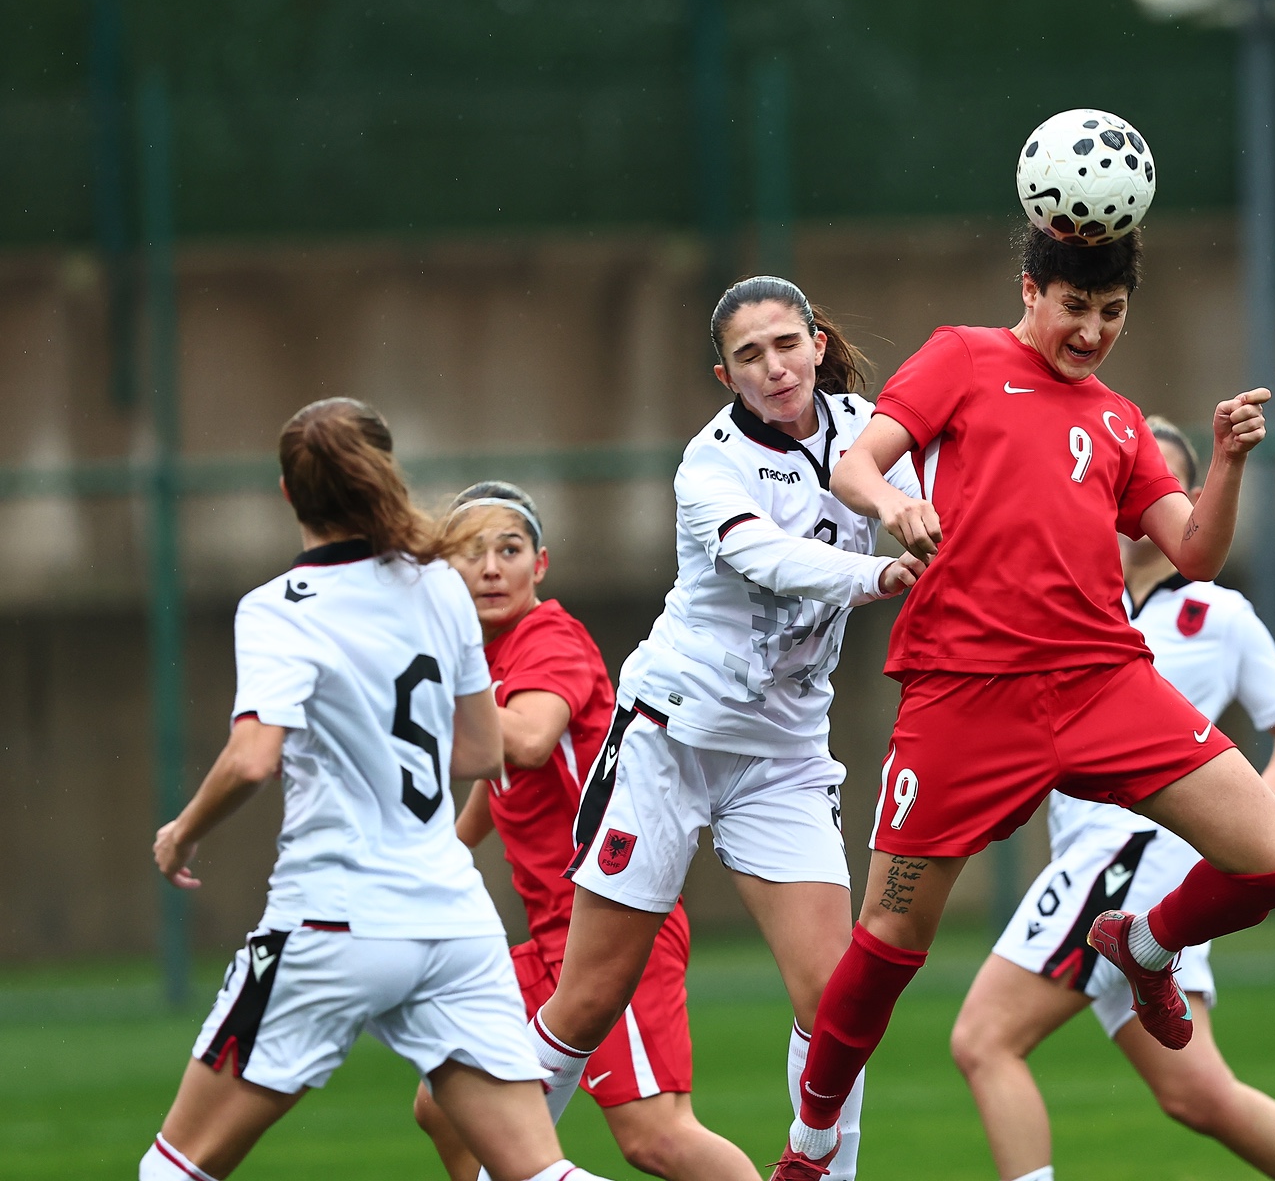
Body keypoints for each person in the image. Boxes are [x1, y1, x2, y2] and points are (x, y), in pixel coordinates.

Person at [771, 225, 1275, 1179]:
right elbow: (857, 464)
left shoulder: (1116, 418)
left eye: (1112, 314)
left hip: (1102, 681)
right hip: (965, 693)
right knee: (889, 941)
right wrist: (893, 507)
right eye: (1076, 307)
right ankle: (811, 1146)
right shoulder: (962, 357)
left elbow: (1192, 554)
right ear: (1030, 290)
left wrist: (1227, 461)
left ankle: (1146, 946)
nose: (1094, 331)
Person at [142, 398, 612, 1181]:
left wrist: (183, 831)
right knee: (538, 1174)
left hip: (332, 921)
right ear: (383, 475)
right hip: (453, 920)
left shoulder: (275, 610)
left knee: (173, 1171)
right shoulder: (436, 589)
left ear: (289, 495)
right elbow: (480, 750)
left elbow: (254, 757)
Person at [524, 276, 926, 1181]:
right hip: (673, 741)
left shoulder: (873, 430)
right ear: (724, 374)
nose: (775, 367)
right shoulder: (708, 465)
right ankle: (502, 1166)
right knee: (588, 999)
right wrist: (877, 575)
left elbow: (951, 494)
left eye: (787, 344)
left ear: (818, 343)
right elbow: (770, 559)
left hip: (782, 757)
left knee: (834, 1004)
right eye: (750, 356)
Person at [950, 417, 1275, 1181]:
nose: (1135, 500)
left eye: (1156, 485)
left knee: (983, 1040)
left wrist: (1253, 812)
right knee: (1198, 1094)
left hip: (1131, 861)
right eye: (1121, 483)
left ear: (1188, 500)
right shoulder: (1074, 602)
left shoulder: (1218, 614)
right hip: (1115, 867)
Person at [410, 480, 751, 1181]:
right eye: (472, 553)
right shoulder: (484, 660)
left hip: (608, 925)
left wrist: (404, 696)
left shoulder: (549, 637)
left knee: (658, 1137)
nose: (492, 567)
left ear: (541, 564)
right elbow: (499, 773)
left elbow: (530, 739)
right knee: (447, 1103)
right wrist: (442, 853)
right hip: (548, 939)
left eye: (510, 548)